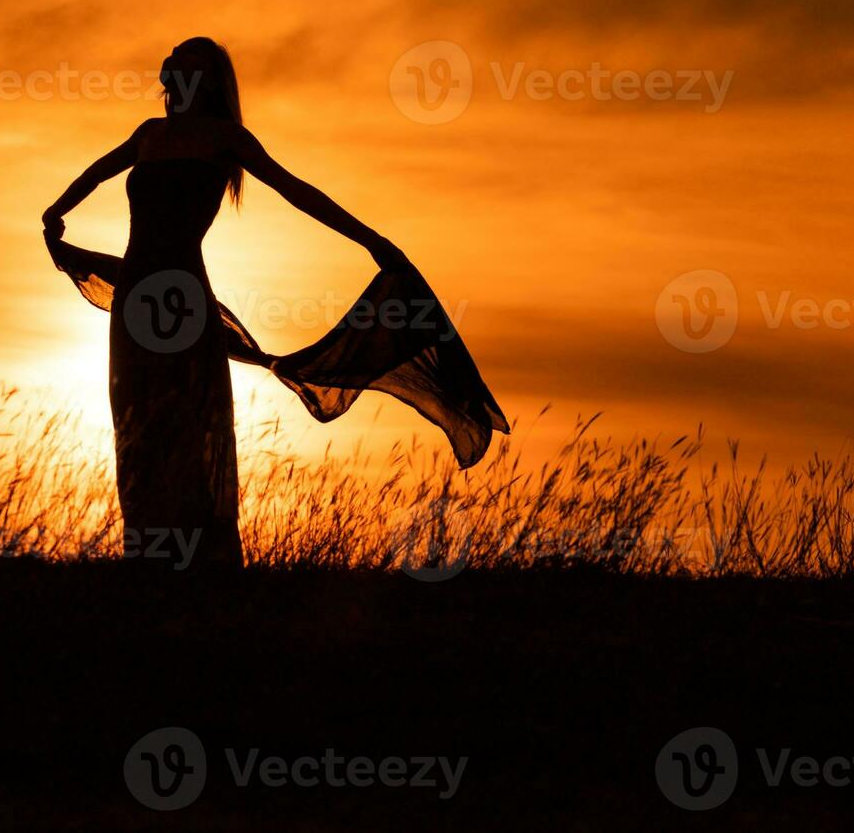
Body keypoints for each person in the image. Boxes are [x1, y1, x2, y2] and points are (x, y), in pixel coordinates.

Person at [41, 38, 508, 569]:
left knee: (191, 415)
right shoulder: (149, 135)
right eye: (173, 61)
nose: (174, 68)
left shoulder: (227, 139)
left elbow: (298, 191)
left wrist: (371, 240)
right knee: (136, 413)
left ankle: (199, 556)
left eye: (188, 62)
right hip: (134, 298)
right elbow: (97, 172)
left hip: (183, 295)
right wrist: (56, 212)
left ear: (209, 79)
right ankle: (146, 551)